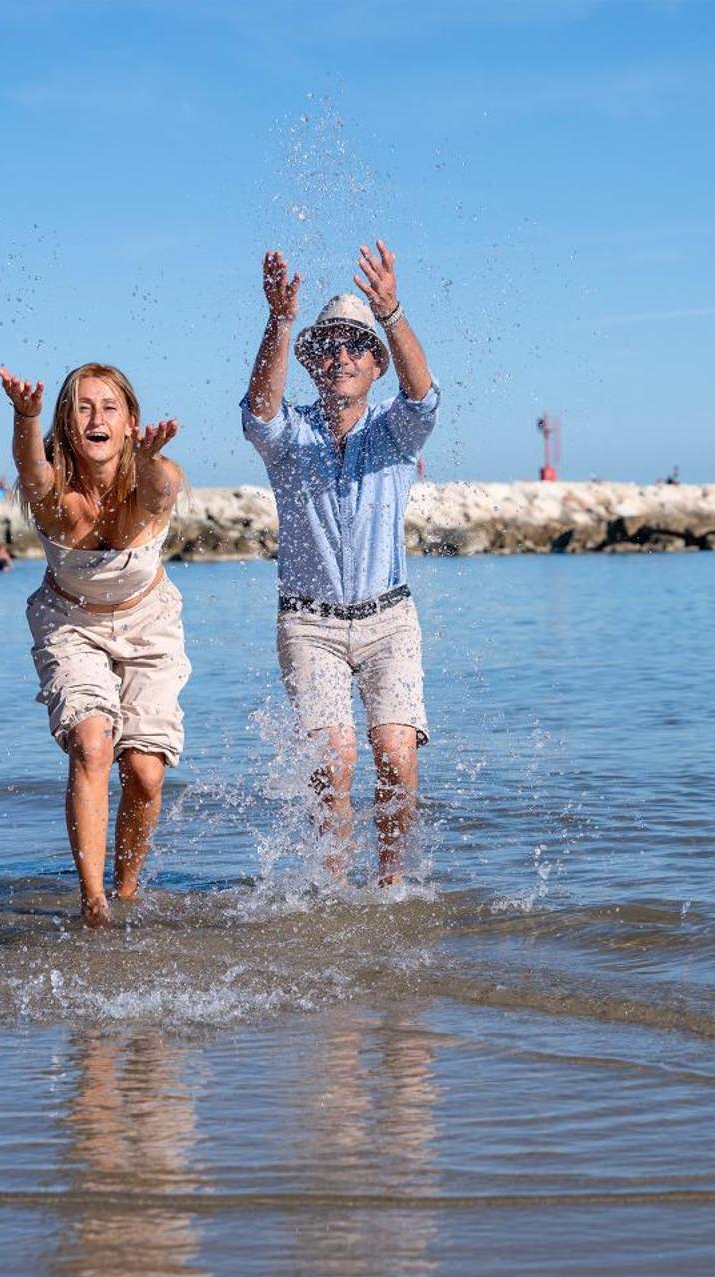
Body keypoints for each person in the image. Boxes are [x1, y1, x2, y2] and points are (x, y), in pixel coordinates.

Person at [242, 241, 439, 886]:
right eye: (327, 346)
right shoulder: (290, 434)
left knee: (394, 753)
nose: (341, 356)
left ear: (374, 365)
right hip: (310, 624)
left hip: (388, 619)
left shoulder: (394, 432)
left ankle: (391, 883)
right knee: (334, 760)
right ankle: (331, 889)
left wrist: (392, 312)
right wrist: (279, 321)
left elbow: (425, 396)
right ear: (312, 363)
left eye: (356, 346)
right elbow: (256, 415)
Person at [0, 361, 189, 927]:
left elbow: (153, 500)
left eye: (109, 407)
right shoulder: (55, 492)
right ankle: (94, 904)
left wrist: (151, 460)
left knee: (146, 773)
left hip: (148, 621)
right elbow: (31, 470)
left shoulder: (158, 474)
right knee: (92, 745)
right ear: (66, 422)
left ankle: (126, 889)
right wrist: (24, 417)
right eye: (83, 407)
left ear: (131, 422)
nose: (96, 417)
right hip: (70, 622)